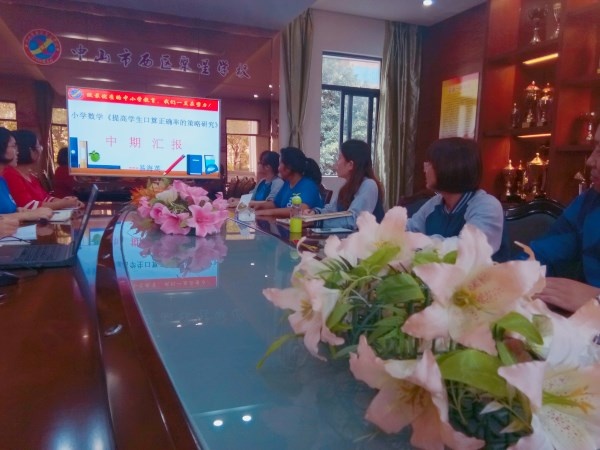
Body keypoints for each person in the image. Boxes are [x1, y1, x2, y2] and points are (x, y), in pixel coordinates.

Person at [529, 125, 600, 312]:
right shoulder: (588, 203)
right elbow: (542, 253)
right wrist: (510, 275)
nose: (590, 161)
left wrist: (596, 299)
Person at [406, 137, 506, 257]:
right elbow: (407, 230)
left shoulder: (487, 205)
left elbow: (467, 248)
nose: (424, 169)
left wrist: (421, 242)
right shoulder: (435, 203)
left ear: (448, 168)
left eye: (429, 164)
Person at [307, 139, 384, 230]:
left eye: (339, 158)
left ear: (350, 165)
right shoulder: (348, 187)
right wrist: (313, 214)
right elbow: (331, 210)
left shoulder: (369, 185)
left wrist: (316, 222)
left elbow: (354, 221)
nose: (336, 163)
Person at [2, 129, 82, 210]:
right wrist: (63, 204)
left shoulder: (30, 176)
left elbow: (45, 197)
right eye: (38, 146)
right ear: (30, 150)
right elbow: (27, 205)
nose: (41, 149)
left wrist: (68, 202)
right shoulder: (10, 175)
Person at [0, 127, 52, 222]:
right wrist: (25, 215)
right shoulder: (9, 175)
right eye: (13, 146)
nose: (17, 151)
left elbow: (8, 211)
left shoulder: (2, 181)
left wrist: (19, 211)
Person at [254, 146, 323, 218]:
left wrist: (266, 212)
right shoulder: (287, 183)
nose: (278, 168)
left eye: (280, 164)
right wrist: (259, 206)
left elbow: (300, 210)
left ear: (288, 168)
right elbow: (276, 204)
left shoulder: (308, 185)